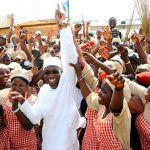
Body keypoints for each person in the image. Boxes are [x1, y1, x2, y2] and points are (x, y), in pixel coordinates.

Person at [10, 18, 84, 149]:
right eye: (47, 72)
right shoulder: (43, 91)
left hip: (67, 144)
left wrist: (65, 29)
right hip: (49, 144)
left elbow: (71, 58)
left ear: (62, 72)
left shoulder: (67, 84)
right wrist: (21, 101)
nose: (51, 75)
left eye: (55, 71)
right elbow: (34, 117)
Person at [71, 57, 131, 149]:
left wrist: (118, 89)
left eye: (104, 91)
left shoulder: (120, 114)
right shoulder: (101, 106)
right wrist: (79, 73)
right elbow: (88, 95)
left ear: (113, 95)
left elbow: (115, 108)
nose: (99, 92)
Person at [0, 67, 40, 150]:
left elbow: (29, 126)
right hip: (6, 143)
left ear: (26, 87)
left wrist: (15, 108)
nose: (17, 88)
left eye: (21, 85)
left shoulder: (32, 100)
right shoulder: (3, 95)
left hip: (25, 144)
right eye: (14, 84)